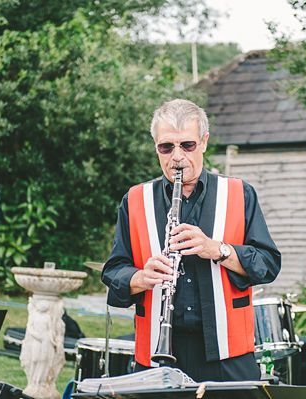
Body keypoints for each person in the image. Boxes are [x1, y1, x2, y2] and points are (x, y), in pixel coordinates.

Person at [101, 99, 281, 382]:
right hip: (155, 355)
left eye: (187, 145)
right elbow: (113, 271)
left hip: (227, 354)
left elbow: (268, 264)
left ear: (204, 142)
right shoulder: (135, 200)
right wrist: (140, 277)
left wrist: (218, 250)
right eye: (166, 146)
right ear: (156, 147)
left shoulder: (239, 193)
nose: (177, 157)